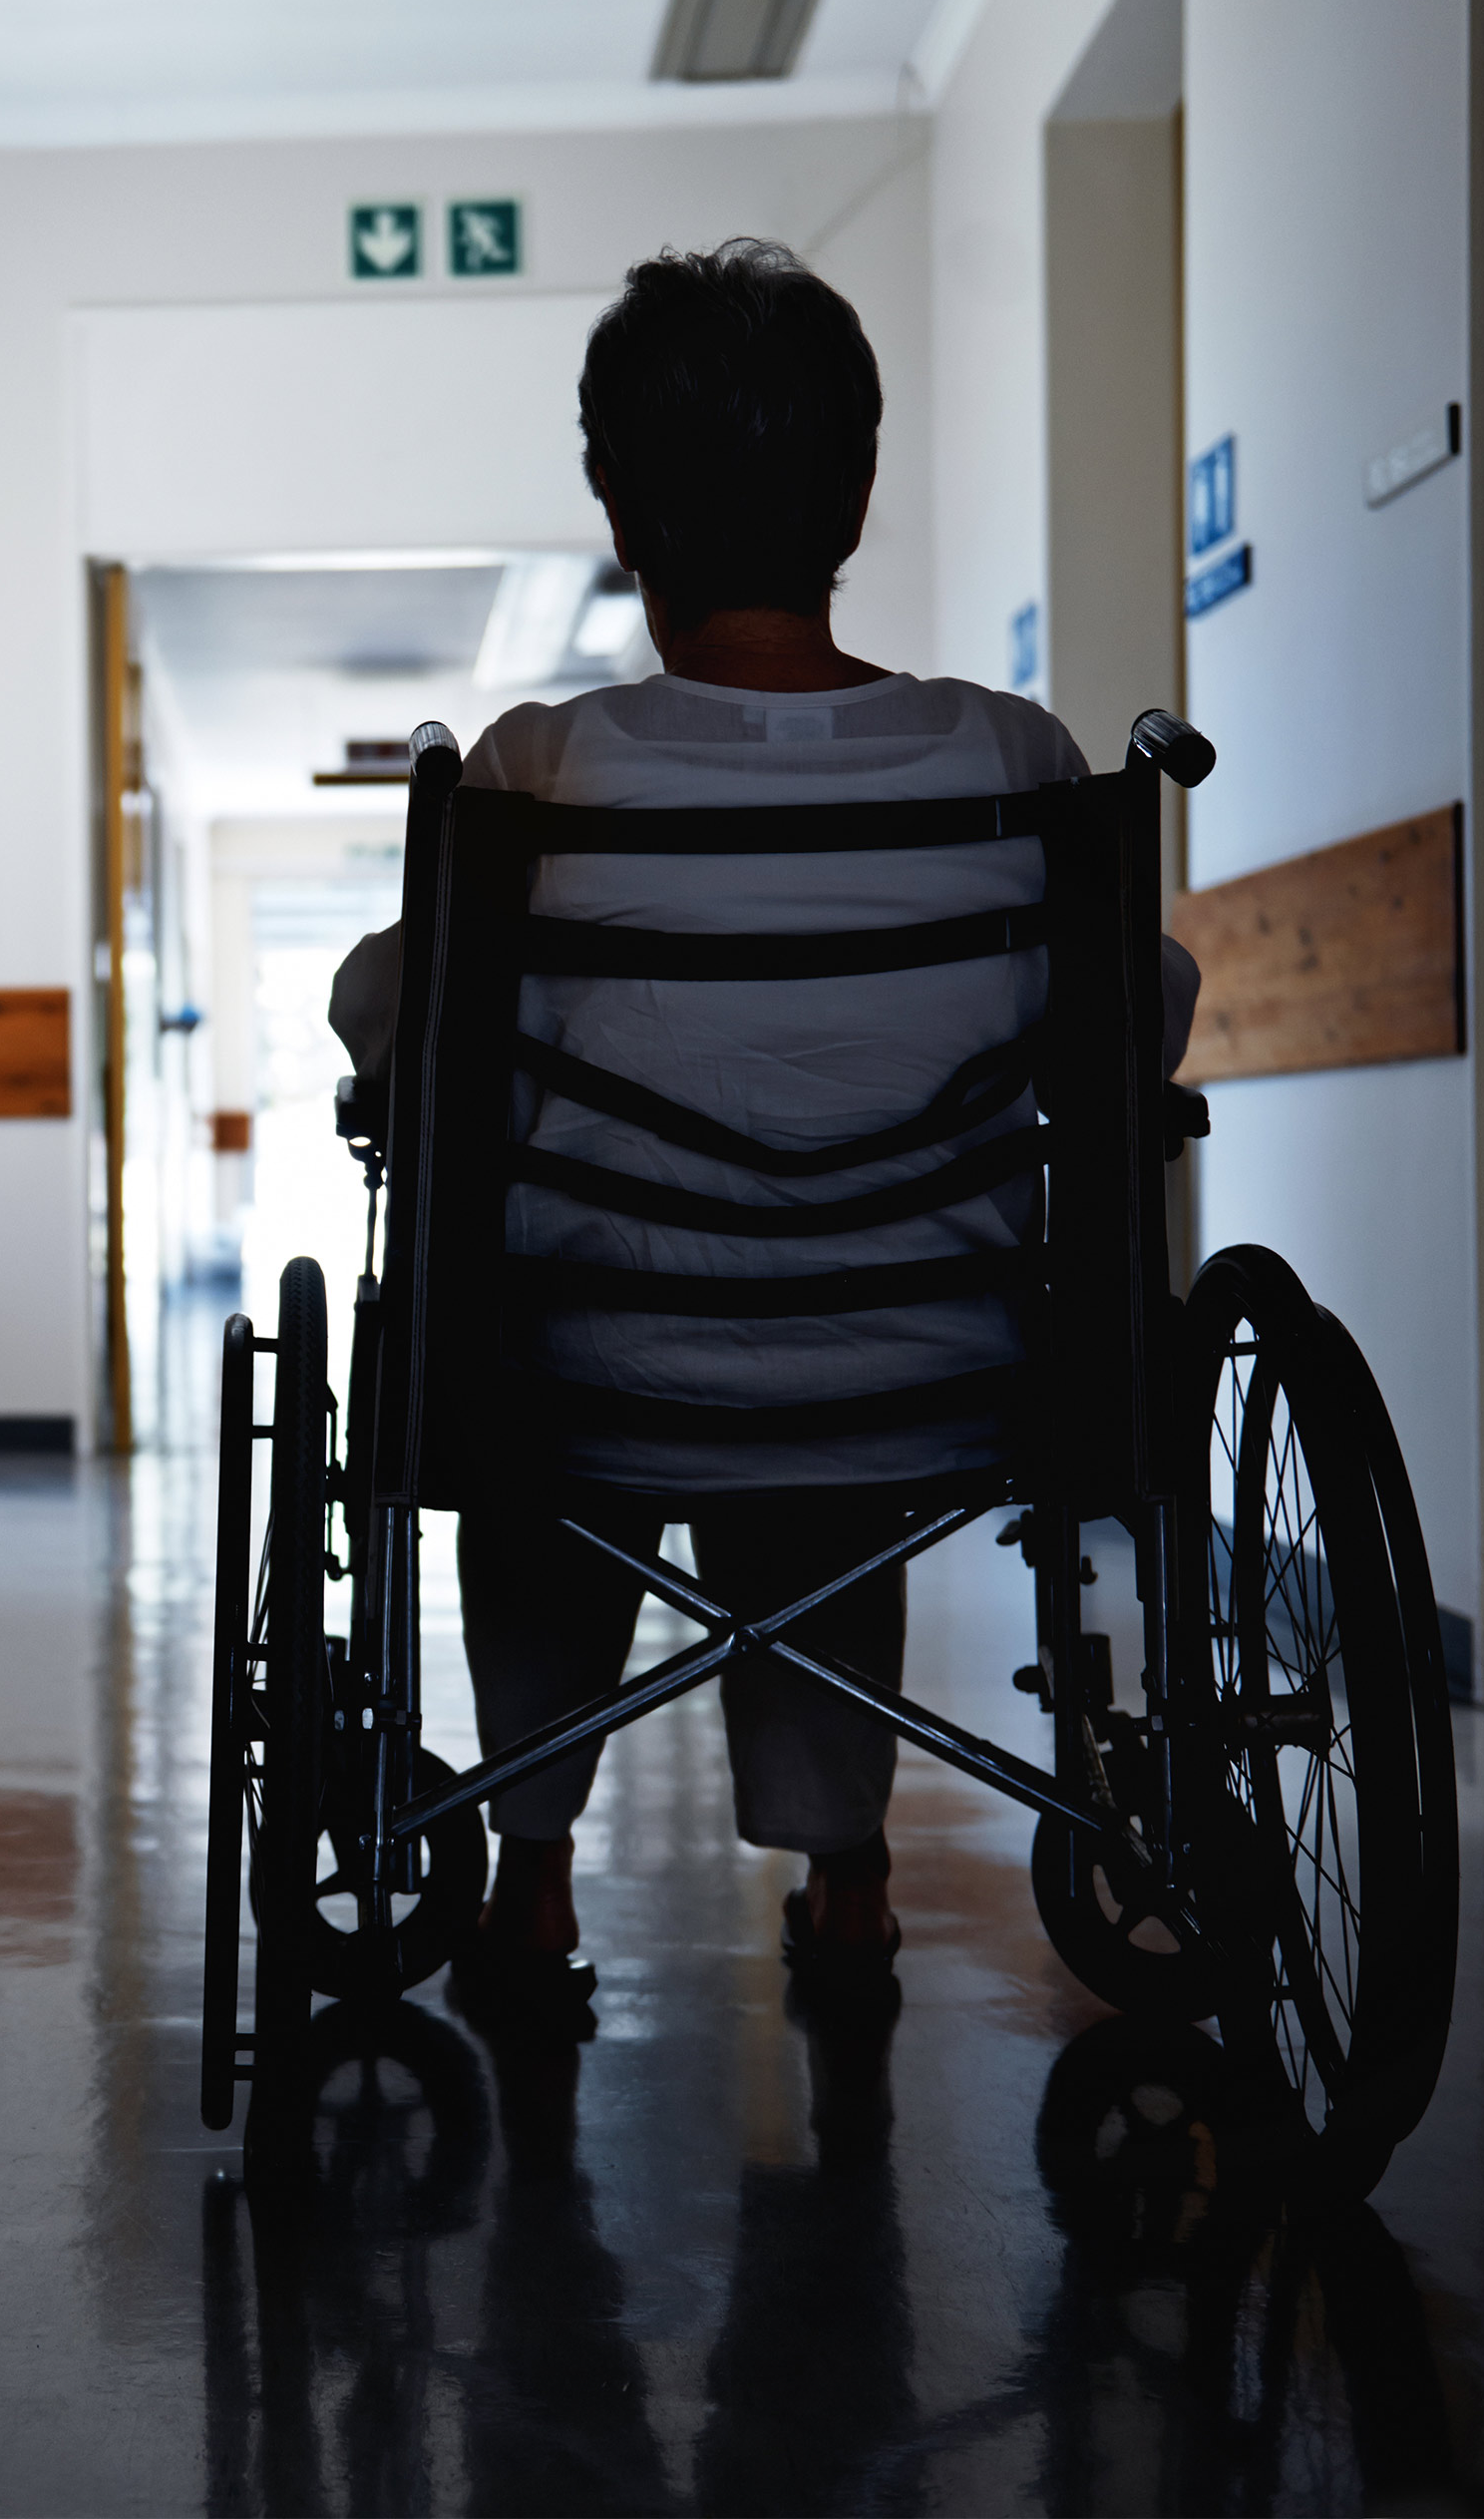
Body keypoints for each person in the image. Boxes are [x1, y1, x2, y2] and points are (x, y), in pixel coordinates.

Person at [329, 238, 1197, 2018]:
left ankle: (530, 1876)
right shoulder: (1012, 760)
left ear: (617, 509)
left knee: (539, 1419)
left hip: (593, 1375)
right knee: (823, 1455)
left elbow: (388, 1024)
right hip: (935, 1375)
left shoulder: (540, 770)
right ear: (857, 497)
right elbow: (1145, 1028)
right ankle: (849, 1878)